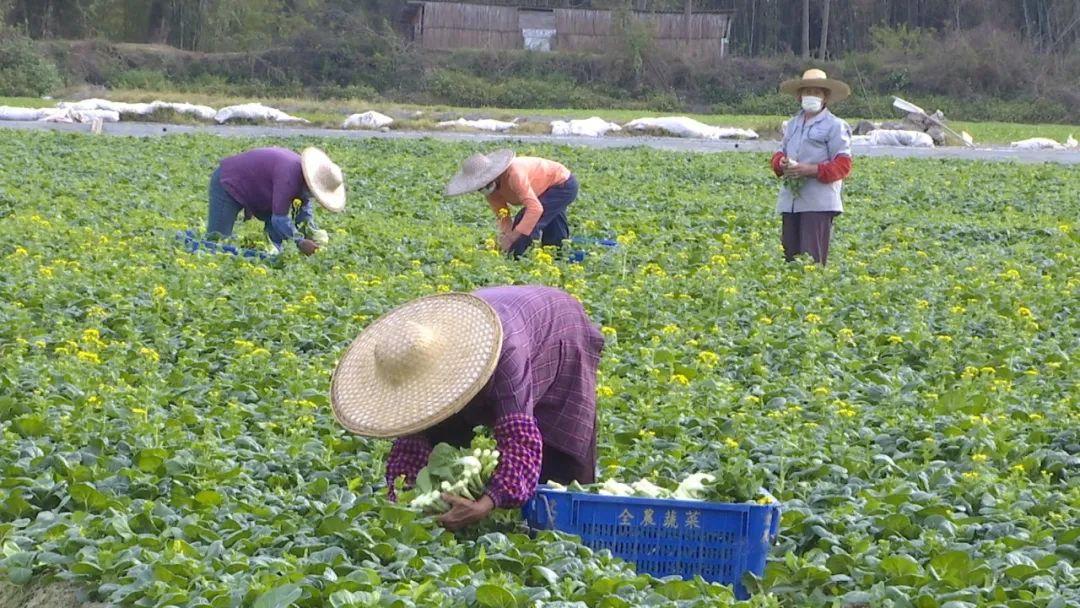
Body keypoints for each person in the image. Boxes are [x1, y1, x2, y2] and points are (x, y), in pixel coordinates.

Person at [329, 285, 604, 530]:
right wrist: (406, 497)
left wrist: (488, 502)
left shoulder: (505, 354)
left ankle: (566, 528)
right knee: (440, 424)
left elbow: (520, 438)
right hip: (507, 319)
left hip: (560, 332)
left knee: (561, 470)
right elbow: (414, 435)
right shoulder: (423, 351)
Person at [771, 69, 853, 265]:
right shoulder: (791, 124)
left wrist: (811, 170)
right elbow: (779, 153)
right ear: (799, 96)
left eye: (817, 93)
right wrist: (781, 163)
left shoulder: (835, 126)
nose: (811, 97)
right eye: (807, 92)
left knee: (811, 262)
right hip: (791, 201)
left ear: (825, 97)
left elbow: (843, 165)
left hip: (818, 203)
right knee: (789, 257)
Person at [207, 146, 345, 255]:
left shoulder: (304, 183)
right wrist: (300, 242)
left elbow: (303, 215)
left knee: (275, 241)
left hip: (258, 190)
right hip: (229, 181)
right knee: (217, 242)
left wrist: (312, 234)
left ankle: (269, 259)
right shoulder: (289, 176)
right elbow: (279, 218)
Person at [444, 150, 579, 257]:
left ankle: (514, 259)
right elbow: (503, 216)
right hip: (543, 188)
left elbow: (535, 209)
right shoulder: (490, 190)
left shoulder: (515, 175)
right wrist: (506, 236)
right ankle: (558, 257)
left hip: (562, 184)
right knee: (553, 226)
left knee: (525, 221)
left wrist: (512, 240)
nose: (482, 187)